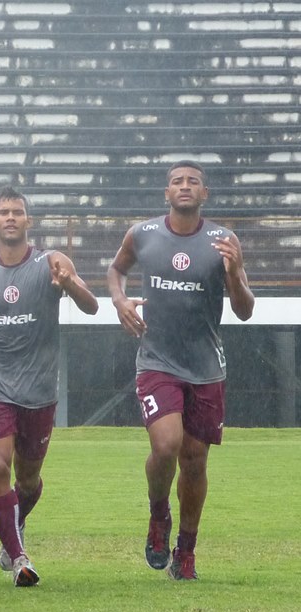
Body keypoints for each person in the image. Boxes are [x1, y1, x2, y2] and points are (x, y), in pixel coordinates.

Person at [107, 160, 254, 581]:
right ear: (166, 193)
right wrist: (119, 301)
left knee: (194, 460)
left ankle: (185, 552)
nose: (184, 186)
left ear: (205, 194)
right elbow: (116, 270)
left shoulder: (223, 240)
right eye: (176, 181)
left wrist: (237, 272)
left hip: (206, 366)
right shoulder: (143, 234)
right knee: (167, 444)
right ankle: (158, 516)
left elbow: (244, 311)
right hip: (157, 360)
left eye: (193, 181)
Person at [0, 186, 98, 587]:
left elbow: (92, 305)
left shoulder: (52, 261)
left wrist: (69, 284)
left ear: (28, 221)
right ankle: (19, 558)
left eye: (17, 211)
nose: (10, 217)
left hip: (38, 389)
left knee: (28, 481)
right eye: (3, 212)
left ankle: (12, 528)